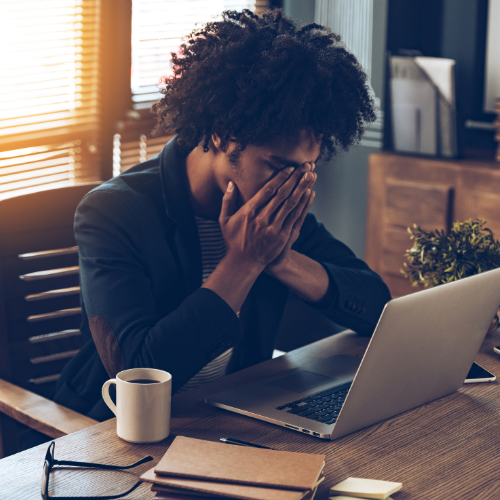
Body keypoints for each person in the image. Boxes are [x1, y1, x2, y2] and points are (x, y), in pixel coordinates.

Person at [52, 9, 391, 420]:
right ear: (220, 133)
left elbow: (376, 306)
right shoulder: (114, 212)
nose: (294, 185)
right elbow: (138, 378)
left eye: (308, 168)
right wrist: (244, 262)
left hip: (230, 415)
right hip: (116, 432)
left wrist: (281, 260)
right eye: (280, 166)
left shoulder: (270, 215)